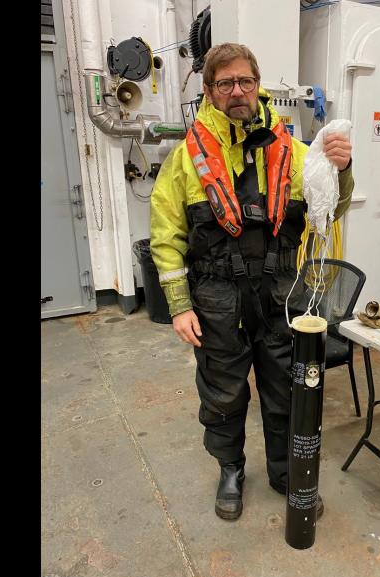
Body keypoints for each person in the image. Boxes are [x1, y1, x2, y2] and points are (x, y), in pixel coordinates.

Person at [150, 43, 353, 521]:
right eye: (225, 84)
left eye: (245, 81)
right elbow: (165, 235)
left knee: (286, 387)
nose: (237, 91)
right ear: (209, 91)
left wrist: (342, 172)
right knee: (222, 390)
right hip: (216, 295)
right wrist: (179, 305)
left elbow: (332, 210)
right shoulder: (185, 160)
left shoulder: (300, 153)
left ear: (257, 85)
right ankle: (230, 470)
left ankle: (285, 472)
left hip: (283, 293)